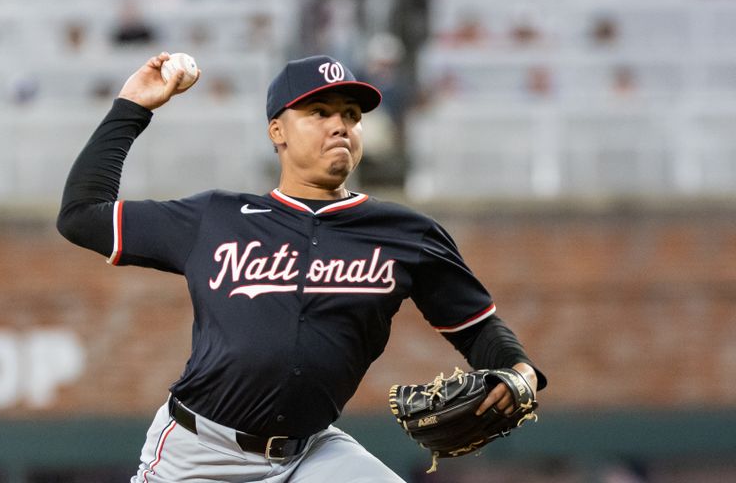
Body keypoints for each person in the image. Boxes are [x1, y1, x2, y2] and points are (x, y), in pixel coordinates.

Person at [57, 52, 546, 482]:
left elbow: (478, 329)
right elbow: (81, 216)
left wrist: (517, 371)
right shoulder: (215, 218)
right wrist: (132, 107)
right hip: (200, 456)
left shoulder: (406, 233)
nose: (341, 125)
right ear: (277, 131)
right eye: (319, 112)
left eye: (351, 115)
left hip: (310, 454)